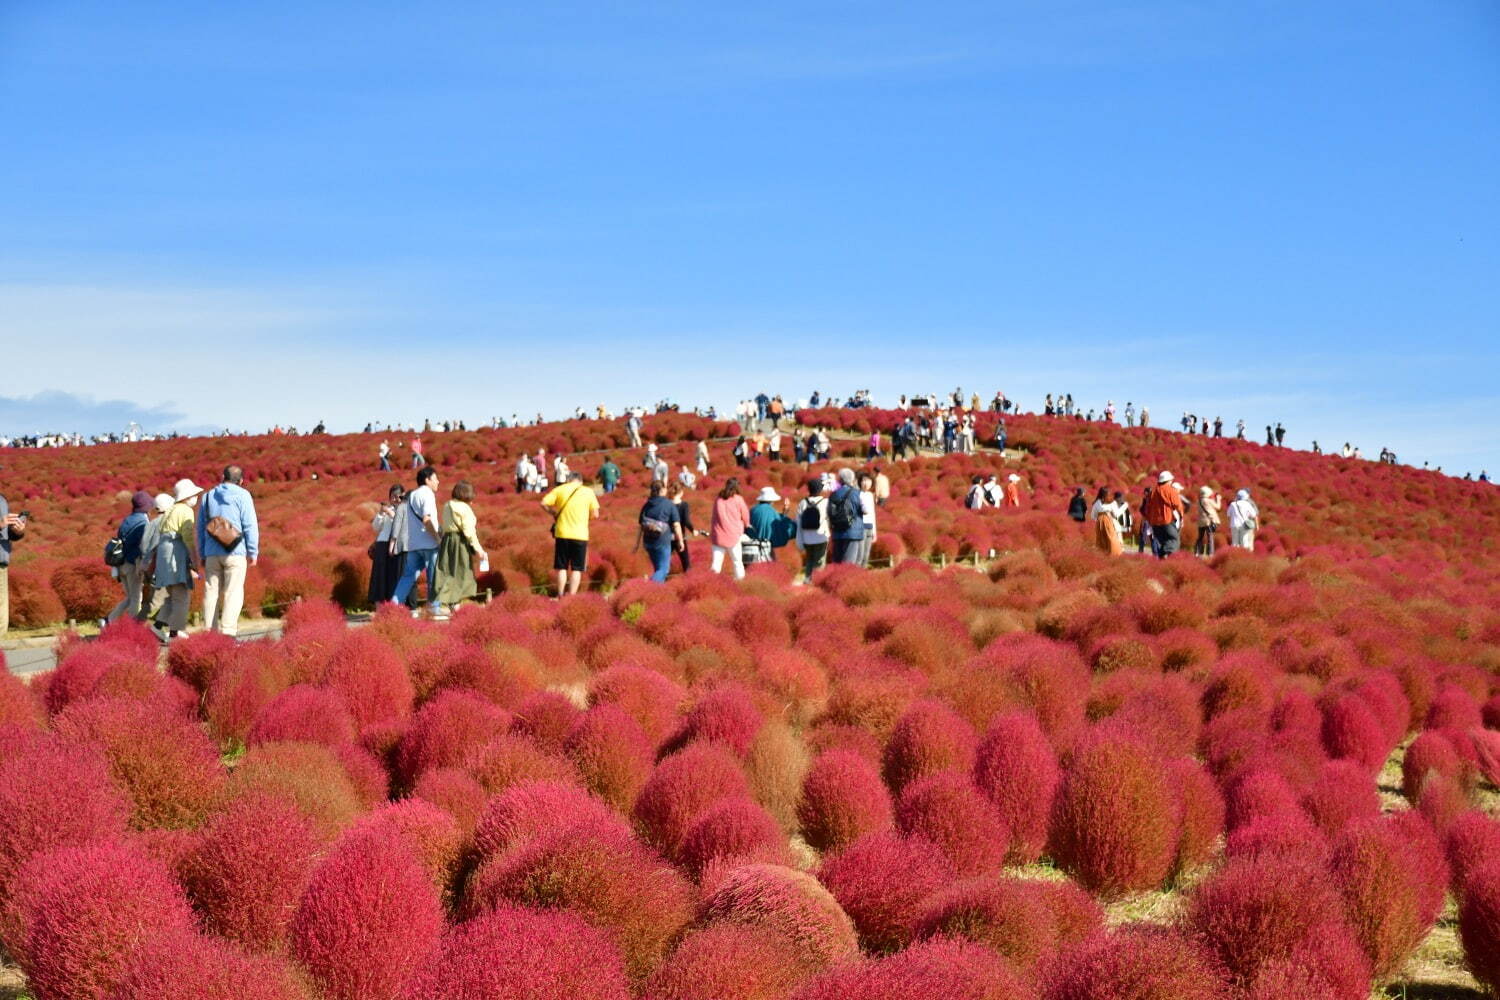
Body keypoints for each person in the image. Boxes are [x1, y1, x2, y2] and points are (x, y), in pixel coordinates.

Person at [198, 465, 260, 637]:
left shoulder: (208, 496)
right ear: (241, 481)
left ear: (222, 477)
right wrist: (253, 552)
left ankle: (209, 632)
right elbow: (249, 525)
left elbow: (201, 528)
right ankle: (227, 632)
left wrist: (202, 553)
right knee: (233, 591)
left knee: (211, 591)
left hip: (211, 552)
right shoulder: (243, 495)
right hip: (235, 551)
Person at [151, 479, 202, 643]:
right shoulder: (185, 511)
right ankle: (175, 633)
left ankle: (158, 626)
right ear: (187, 497)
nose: (196, 497)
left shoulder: (170, 510)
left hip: (164, 556)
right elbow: (188, 538)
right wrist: (195, 560)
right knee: (181, 597)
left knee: (172, 595)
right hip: (176, 556)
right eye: (194, 495)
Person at [392, 466, 444, 616]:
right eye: (435, 478)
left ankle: (394, 606)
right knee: (434, 577)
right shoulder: (427, 494)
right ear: (427, 480)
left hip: (413, 544)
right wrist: (437, 538)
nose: (438, 481)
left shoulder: (412, 495)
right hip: (428, 543)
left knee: (407, 577)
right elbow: (427, 519)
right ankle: (434, 608)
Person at [540, 472, 600, 597]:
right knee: (577, 568)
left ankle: (561, 594)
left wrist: (553, 513)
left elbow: (543, 503)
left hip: (562, 533)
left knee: (562, 567)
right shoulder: (588, 492)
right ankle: (572, 596)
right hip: (580, 534)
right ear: (580, 481)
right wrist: (585, 519)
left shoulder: (560, 489)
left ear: (569, 480)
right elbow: (595, 514)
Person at [435, 481, 487, 613]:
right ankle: (456, 606)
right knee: (461, 572)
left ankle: (449, 604)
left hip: (447, 541)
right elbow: (469, 531)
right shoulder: (464, 508)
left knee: (448, 572)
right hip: (460, 542)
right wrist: (479, 550)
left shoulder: (447, 505)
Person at [106, 492, 152, 623]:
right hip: (133, 564)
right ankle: (133, 627)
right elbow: (144, 545)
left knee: (129, 598)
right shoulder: (143, 522)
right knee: (136, 598)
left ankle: (109, 620)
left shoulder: (127, 519)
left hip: (121, 564)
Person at [635, 481, 683, 582]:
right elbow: (676, 525)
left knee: (658, 568)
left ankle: (657, 591)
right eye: (665, 488)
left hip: (648, 543)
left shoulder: (647, 505)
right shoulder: (669, 504)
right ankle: (649, 585)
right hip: (662, 542)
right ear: (662, 490)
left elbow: (641, 526)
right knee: (664, 570)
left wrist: (637, 544)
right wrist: (681, 541)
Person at [368, 484, 407, 606]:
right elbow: (376, 527)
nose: (395, 499)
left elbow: (402, 526)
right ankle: (379, 605)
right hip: (382, 544)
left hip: (396, 546)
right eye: (392, 497)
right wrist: (380, 513)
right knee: (380, 575)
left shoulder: (405, 510)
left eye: (398, 497)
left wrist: (392, 514)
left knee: (394, 576)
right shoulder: (387, 510)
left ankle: (393, 605)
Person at [708, 478, 753, 579]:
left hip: (718, 535)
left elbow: (714, 516)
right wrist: (747, 524)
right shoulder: (738, 499)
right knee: (737, 562)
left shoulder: (718, 499)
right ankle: (740, 583)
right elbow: (745, 514)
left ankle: (711, 583)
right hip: (733, 535)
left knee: (716, 564)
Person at [0, 482, 26, 638]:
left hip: (1, 564)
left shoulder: (1, 500)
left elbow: (6, 534)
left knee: (1, 619)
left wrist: (17, 531)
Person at [745, 486, 796, 566]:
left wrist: (784, 512)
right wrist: (786, 514)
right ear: (772, 500)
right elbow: (779, 524)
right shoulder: (771, 511)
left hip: (751, 547)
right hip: (766, 546)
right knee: (770, 563)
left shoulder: (753, 510)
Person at [827, 469, 866, 565]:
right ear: (853, 479)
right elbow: (866, 510)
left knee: (837, 561)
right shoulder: (858, 493)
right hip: (853, 531)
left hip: (837, 531)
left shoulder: (833, 494)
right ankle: (845, 579)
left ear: (840, 479)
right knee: (848, 563)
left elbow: (829, 512)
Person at [795, 479, 830, 582]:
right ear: (820, 489)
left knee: (810, 560)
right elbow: (830, 518)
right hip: (821, 537)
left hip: (806, 538)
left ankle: (807, 580)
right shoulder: (825, 502)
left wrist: (799, 540)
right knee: (820, 562)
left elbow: (798, 521)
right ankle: (816, 582)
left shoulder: (802, 502)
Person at [1143, 471, 1183, 558]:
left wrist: (1149, 521)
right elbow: (1178, 505)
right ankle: (1166, 557)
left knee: (1164, 542)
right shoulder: (1170, 490)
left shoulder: (1152, 492)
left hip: (1155, 523)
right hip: (1167, 521)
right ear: (1168, 480)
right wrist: (1181, 516)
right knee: (1174, 540)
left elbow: (1147, 508)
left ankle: (1162, 561)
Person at [669, 481, 705, 573]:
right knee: (686, 563)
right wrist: (693, 531)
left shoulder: (667, 504)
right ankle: (689, 579)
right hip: (680, 536)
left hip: (667, 537)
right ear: (681, 492)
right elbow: (687, 521)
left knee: (664, 562)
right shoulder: (684, 505)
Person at [856, 473, 878, 567]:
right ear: (860, 482)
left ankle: (862, 573)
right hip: (860, 527)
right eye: (863, 480)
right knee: (859, 555)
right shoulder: (857, 494)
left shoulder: (870, 495)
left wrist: (874, 531)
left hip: (869, 527)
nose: (866, 483)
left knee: (866, 555)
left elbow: (872, 514)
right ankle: (856, 574)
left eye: (868, 481)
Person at [1195, 485, 1221, 557]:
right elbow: (1218, 507)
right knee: (1210, 537)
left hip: (1201, 521)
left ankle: (1197, 553)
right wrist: (1218, 499)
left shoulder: (1199, 501)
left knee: (1200, 537)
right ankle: (1210, 554)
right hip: (1209, 521)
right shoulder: (1209, 501)